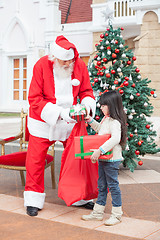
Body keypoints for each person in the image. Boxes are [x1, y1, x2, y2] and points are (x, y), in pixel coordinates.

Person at [24, 35, 96, 216]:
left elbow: (86, 90)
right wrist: (59, 113)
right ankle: (33, 199)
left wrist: (86, 107)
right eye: (64, 61)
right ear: (54, 58)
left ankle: (80, 196)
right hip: (43, 121)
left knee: (78, 158)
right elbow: (34, 99)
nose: (67, 64)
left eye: (70, 60)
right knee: (35, 161)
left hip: (72, 121)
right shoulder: (41, 65)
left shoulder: (79, 65)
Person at [81, 90, 127, 226]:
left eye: (103, 105)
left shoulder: (115, 122)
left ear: (111, 105)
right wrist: (90, 121)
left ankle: (117, 215)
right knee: (102, 186)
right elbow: (101, 130)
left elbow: (115, 139)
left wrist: (100, 150)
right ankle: (98, 212)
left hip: (112, 159)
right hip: (104, 158)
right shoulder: (106, 119)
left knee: (113, 186)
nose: (100, 108)